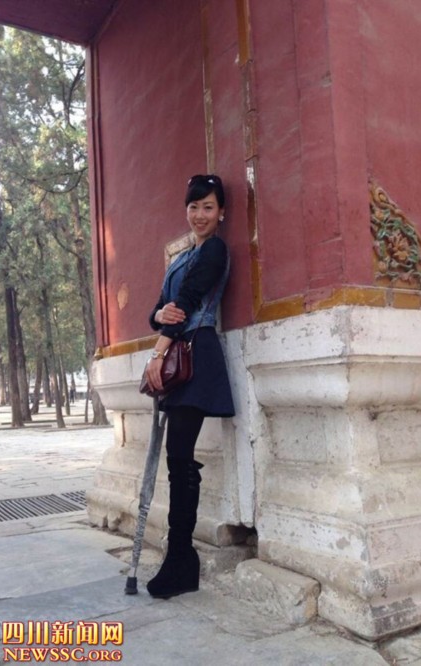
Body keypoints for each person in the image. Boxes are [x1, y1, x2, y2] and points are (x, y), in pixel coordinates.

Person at [144, 174, 235, 598]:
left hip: (195, 354)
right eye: (194, 207)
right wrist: (159, 317)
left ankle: (181, 557)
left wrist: (158, 352)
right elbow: (159, 310)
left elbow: (189, 302)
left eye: (208, 207)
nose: (200, 215)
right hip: (178, 353)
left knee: (180, 457)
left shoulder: (214, 250)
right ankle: (181, 557)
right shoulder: (179, 260)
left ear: (222, 213)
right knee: (176, 457)